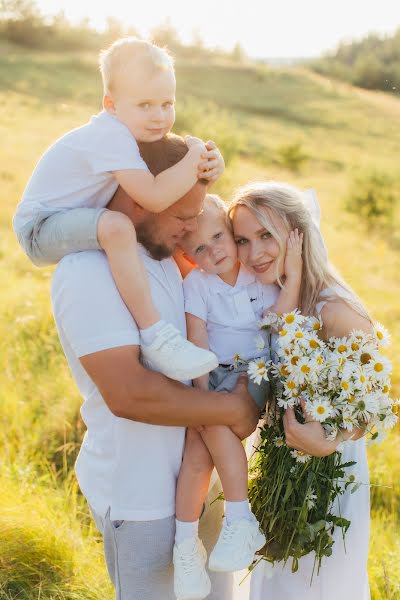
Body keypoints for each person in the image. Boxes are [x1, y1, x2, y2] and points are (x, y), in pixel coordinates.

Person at [50, 134, 260, 600]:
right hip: (140, 496)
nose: (190, 231)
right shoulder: (87, 270)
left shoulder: (162, 255)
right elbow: (129, 393)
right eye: (183, 216)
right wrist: (233, 412)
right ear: (143, 196)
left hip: (200, 485)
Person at [13, 36, 223, 382]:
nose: (159, 117)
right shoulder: (110, 136)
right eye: (144, 105)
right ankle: (156, 335)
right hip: (40, 227)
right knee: (117, 227)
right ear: (111, 104)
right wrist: (196, 152)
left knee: (117, 226)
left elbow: (165, 164)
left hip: (64, 219)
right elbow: (155, 197)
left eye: (166, 104)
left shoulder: (127, 132)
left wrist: (213, 162)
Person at [228, 181, 371, 600]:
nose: (254, 254)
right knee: (276, 579)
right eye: (242, 240)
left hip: (329, 478)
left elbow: (373, 405)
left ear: (298, 236)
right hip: (278, 468)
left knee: (319, 583)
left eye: (266, 236)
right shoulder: (271, 297)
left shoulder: (336, 310)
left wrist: (330, 441)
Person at [171, 193, 303, 600]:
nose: (213, 252)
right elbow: (197, 336)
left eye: (218, 238)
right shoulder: (197, 284)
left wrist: (294, 275)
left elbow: (280, 320)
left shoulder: (254, 274)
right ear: (188, 256)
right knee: (196, 449)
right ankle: (186, 546)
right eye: (199, 249)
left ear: (231, 234)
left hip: (254, 372)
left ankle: (240, 518)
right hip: (213, 374)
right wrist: (201, 395)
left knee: (209, 429)